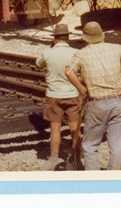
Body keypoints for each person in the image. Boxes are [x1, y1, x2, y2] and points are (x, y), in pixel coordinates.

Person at [65, 22, 121, 171]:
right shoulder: (117, 48)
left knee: (91, 145)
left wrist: (81, 88)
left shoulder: (81, 54)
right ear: (102, 35)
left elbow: (68, 72)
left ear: (86, 38)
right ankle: (113, 176)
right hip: (117, 101)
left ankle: (95, 180)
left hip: (96, 103)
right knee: (116, 144)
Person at [35, 23, 81, 170]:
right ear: (68, 37)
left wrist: (50, 48)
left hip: (54, 95)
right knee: (75, 127)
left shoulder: (47, 52)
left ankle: (54, 156)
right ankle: (76, 156)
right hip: (73, 94)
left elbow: (38, 64)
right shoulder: (76, 52)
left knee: (55, 127)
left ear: (55, 38)